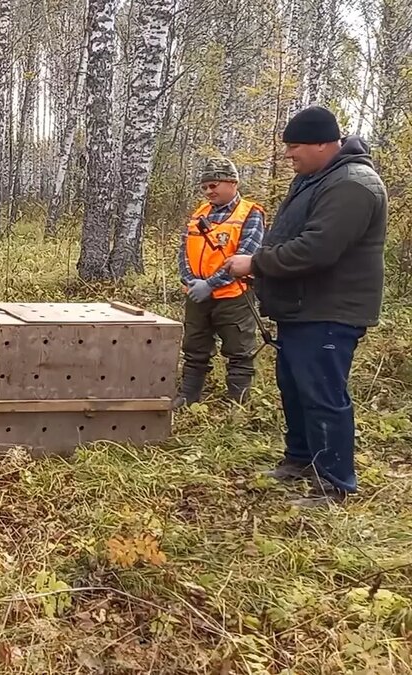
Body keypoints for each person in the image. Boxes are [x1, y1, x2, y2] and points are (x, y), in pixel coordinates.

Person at [224, 105, 388, 507]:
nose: (288, 154)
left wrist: (256, 263)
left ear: (322, 143)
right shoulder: (315, 179)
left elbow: (318, 248)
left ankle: (335, 485)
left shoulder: (353, 184)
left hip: (330, 311)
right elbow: (291, 235)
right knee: (295, 388)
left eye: (294, 146)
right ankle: (299, 460)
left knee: (322, 394)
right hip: (302, 308)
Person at [174, 157, 266, 408]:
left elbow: (247, 254)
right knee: (194, 348)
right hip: (196, 295)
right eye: (204, 187)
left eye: (214, 185)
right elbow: (183, 251)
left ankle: (236, 405)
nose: (208, 191)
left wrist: (212, 284)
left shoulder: (250, 214)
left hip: (233, 296)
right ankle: (188, 398)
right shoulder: (198, 214)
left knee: (239, 352)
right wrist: (191, 281)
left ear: (232, 183)